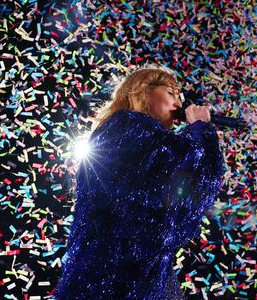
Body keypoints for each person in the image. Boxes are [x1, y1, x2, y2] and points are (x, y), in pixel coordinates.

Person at [54, 64, 225, 299]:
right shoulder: (127, 127)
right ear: (143, 91)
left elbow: (187, 190)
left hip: (142, 267)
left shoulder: (133, 132)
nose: (179, 102)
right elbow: (180, 169)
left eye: (180, 96)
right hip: (116, 271)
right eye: (171, 92)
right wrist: (199, 129)